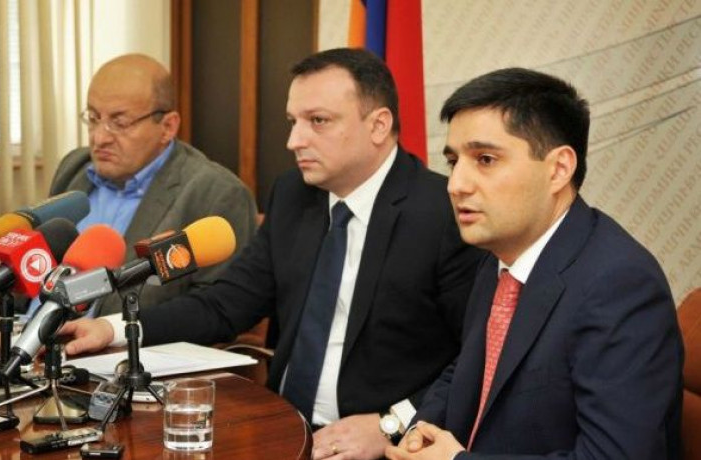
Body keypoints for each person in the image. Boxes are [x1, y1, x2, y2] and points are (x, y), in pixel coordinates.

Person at [58, 48, 482, 460]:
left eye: (318, 121)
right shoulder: (294, 194)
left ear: (378, 125)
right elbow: (226, 304)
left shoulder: (444, 213)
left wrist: (393, 422)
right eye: (293, 122)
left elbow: (480, 356)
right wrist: (114, 328)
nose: (294, 141)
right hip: (283, 426)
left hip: (391, 445)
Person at [386, 68, 683, 460]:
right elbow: (470, 368)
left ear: (558, 169)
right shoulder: (498, 256)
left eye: (485, 159)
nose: (456, 184)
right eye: (453, 161)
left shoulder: (621, 285)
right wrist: (419, 431)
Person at [45, 53, 258, 317]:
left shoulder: (215, 194)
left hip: (121, 340)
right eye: (94, 117)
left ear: (168, 127)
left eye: (119, 123)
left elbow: (217, 309)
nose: (99, 138)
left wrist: (111, 332)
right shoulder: (74, 167)